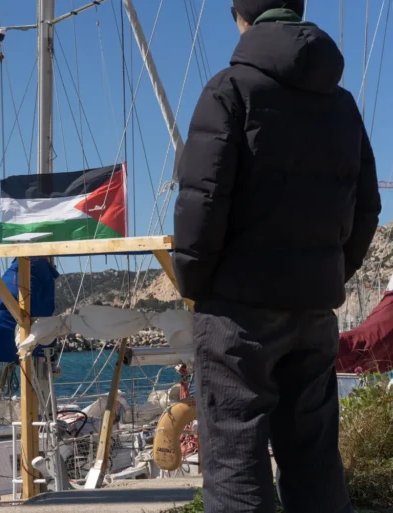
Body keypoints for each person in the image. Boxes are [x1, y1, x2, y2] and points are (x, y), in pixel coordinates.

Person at [172, 1, 381, 512]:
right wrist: (328, 275)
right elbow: (368, 208)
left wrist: (198, 287)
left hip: (238, 313)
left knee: (236, 467)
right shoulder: (343, 103)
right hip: (313, 311)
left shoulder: (229, 90)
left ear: (240, 17)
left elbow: (200, 205)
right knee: (315, 464)